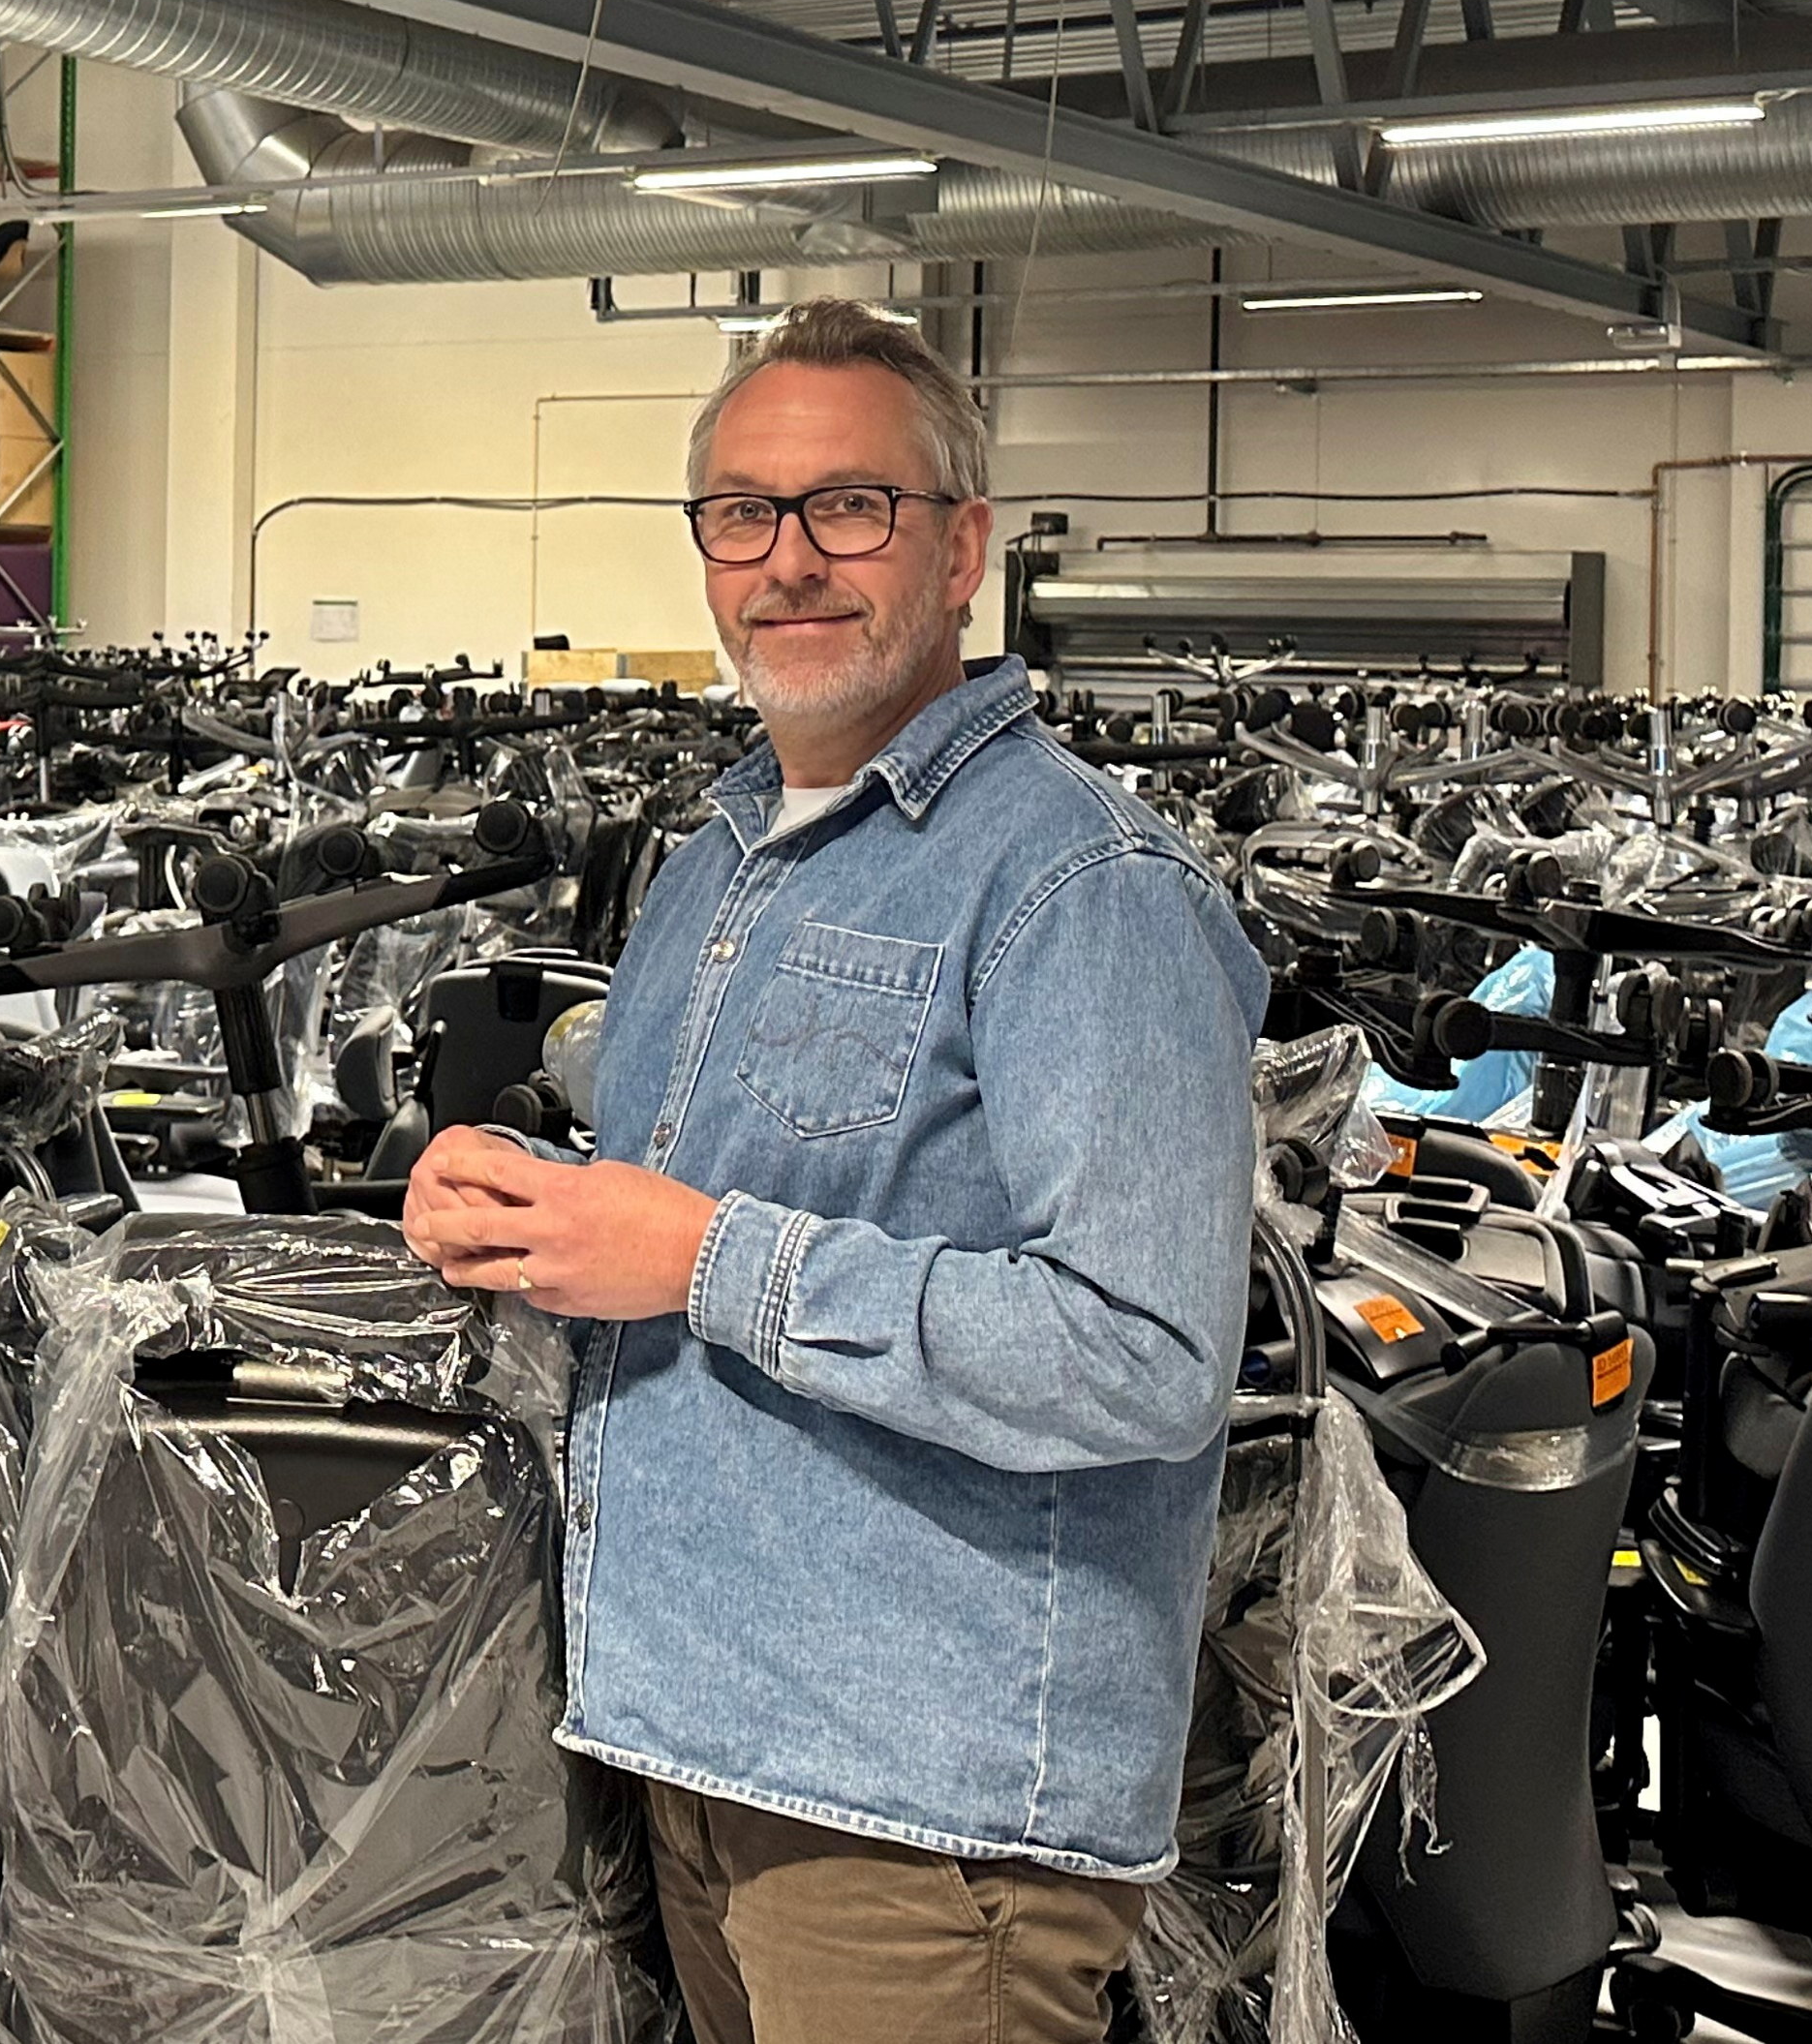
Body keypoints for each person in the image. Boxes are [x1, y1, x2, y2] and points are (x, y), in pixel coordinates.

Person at [402, 299, 1265, 2044]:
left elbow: (1147, 1351)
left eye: (848, 507)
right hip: (697, 1741)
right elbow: (707, 1195)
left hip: (921, 1811)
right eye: (743, 513)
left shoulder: (1080, 885)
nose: (788, 559)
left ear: (962, 548)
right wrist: (530, 1197)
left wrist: (699, 1255)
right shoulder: (725, 856)